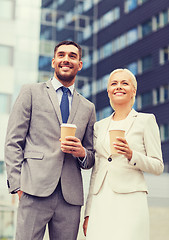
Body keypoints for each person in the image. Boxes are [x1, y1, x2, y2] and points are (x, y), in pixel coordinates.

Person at [5, 40, 96, 240]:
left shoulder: (88, 107)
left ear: (80, 64)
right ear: (53, 61)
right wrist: (17, 185)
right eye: (61, 55)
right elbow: (13, 141)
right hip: (33, 189)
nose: (66, 59)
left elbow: (91, 157)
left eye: (72, 56)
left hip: (70, 198)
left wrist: (81, 152)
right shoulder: (30, 92)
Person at [83, 68, 164, 240]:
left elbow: (158, 166)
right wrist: (88, 212)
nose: (118, 87)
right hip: (101, 200)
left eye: (124, 83)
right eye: (114, 83)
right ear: (109, 91)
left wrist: (131, 155)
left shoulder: (146, 121)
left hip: (131, 199)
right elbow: (95, 171)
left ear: (133, 90)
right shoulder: (99, 126)